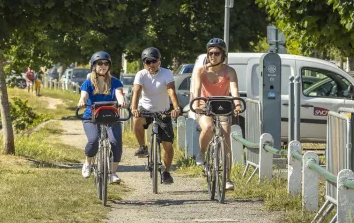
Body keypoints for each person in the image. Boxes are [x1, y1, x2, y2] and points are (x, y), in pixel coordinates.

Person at [191, 38, 240, 191]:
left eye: (216, 53)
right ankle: (201, 153)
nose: (212, 56)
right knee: (209, 128)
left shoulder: (229, 71)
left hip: (222, 107)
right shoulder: (202, 71)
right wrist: (197, 105)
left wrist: (237, 105)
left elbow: (234, 90)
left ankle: (227, 178)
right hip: (205, 106)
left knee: (226, 139)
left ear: (223, 54)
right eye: (210, 53)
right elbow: (197, 89)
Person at [130, 47, 182, 184]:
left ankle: (166, 171)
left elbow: (171, 91)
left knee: (167, 145)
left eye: (154, 61)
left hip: (163, 111)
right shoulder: (141, 74)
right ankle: (142, 146)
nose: (151, 64)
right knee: (136, 120)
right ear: (144, 63)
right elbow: (136, 92)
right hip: (146, 109)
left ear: (159, 61)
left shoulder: (166, 73)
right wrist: (134, 108)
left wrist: (176, 107)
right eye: (148, 62)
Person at [76, 51, 127, 184]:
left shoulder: (115, 82)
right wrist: (82, 101)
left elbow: (119, 94)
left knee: (116, 142)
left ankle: (112, 173)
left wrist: (122, 101)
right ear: (94, 66)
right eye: (100, 63)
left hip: (111, 117)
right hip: (91, 117)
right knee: (93, 140)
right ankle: (87, 163)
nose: (103, 66)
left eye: (106, 63)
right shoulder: (88, 83)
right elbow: (84, 95)